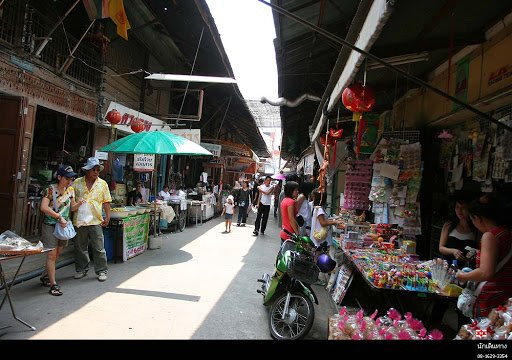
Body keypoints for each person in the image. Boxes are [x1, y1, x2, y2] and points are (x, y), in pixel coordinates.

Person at [455, 193, 512, 318]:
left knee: (481, 333)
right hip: (505, 299)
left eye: (472, 219)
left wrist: (463, 276)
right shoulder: (506, 232)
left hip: (489, 301)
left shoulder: (489, 236)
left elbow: (486, 272)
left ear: (478, 218)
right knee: (496, 334)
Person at [39, 165, 81, 296]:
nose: (70, 181)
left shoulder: (70, 190)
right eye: (67, 178)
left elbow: (72, 208)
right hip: (50, 225)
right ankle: (53, 284)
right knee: (51, 254)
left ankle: (45, 276)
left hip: (63, 227)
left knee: (57, 254)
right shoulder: (50, 190)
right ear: (59, 177)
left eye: (72, 178)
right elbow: (43, 207)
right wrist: (59, 217)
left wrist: (79, 203)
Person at [72, 157, 112, 282]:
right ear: (87, 170)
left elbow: (106, 202)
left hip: (96, 220)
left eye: (97, 170)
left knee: (99, 247)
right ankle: (82, 269)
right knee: (80, 247)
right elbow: (70, 200)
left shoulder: (102, 184)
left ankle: (101, 270)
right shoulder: (77, 183)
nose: (95, 172)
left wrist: (108, 216)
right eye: (93, 169)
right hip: (80, 220)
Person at [438, 192, 479, 269]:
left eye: (463, 208)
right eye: (457, 207)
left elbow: (479, 251)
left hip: (467, 269)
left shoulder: (476, 229)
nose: (459, 211)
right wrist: (453, 251)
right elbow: (441, 248)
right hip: (448, 267)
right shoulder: (448, 225)